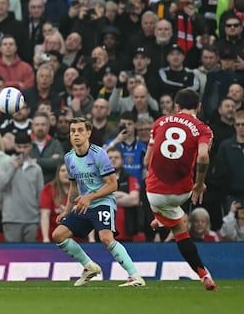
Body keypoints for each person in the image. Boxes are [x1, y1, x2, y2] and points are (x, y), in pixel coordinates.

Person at [53, 117, 145, 287]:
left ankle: (135, 276)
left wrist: (90, 197)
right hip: (84, 204)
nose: (76, 134)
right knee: (58, 235)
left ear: (88, 133)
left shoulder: (99, 154)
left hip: (103, 202)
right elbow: (74, 187)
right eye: (73, 131)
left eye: (80, 130)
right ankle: (89, 267)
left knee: (105, 237)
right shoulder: (69, 158)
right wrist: (67, 211)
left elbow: (113, 185)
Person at [145, 88, 217, 291]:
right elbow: (203, 156)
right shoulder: (203, 128)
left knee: (176, 227)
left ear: (176, 106)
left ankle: (160, 217)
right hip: (182, 193)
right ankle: (204, 274)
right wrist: (200, 183)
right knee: (177, 221)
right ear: (199, 107)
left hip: (155, 194)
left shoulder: (160, 122)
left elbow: (147, 160)